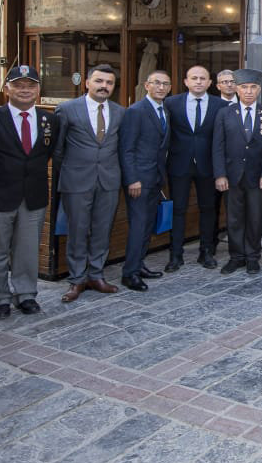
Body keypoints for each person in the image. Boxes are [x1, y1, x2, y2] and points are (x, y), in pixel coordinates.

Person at [0, 65, 59, 319]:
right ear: (7, 89)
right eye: (18, 85)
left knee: (27, 250)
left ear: (38, 90)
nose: (25, 90)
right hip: (0, 196)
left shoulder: (50, 120)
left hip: (34, 196)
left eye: (30, 85)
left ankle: (26, 295)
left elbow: (45, 154)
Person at [53, 64, 124, 302]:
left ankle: (96, 274)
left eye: (109, 83)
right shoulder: (67, 110)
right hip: (77, 180)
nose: (104, 86)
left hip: (108, 180)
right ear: (87, 82)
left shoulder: (120, 112)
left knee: (103, 231)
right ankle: (77, 279)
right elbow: (58, 149)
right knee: (77, 231)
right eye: (99, 81)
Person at [164, 65, 228, 271]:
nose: (198, 81)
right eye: (194, 78)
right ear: (186, 81)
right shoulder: (171, 103)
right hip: (179, 165)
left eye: (203, 78)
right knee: (178, 210)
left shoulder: (220, 106)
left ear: (210, 83)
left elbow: (222, 140)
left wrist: (221, 171)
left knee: (208, 209)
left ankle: (206, 252)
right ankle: (175, 255)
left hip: (208, 166)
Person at [212, 68, 262, 274]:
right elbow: (218, 146)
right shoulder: (225, 113)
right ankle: (236, 256)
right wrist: (220, 174)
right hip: (232, 176)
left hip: (258, 178)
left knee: (256, 218)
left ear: (259, 89)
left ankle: (253, 256)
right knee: (234, 218)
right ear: (237, 89)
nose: (248, 91)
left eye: (253, 87)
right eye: (244, 87)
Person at [118, 70, 172, 291]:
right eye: (157, 83)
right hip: (139, 181)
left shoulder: (164, 110)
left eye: (165, 84)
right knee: (139, 226)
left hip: (155, 179)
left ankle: (139, 265)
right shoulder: (136, 111)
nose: (161, 87)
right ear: (147, 85)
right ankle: (129, 273)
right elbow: (127, 149)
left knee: (147, 225)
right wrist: (132, 179)